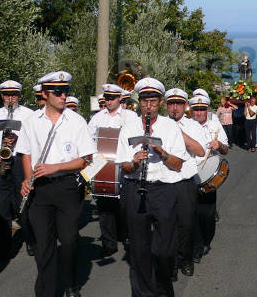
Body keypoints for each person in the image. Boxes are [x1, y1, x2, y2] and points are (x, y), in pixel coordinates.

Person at [17, 71, 97, 297]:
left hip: (67, 187)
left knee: (70, 241)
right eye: (59, 92)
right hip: (40, 189)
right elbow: (26, 153)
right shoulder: (32, 121)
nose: (64, 96)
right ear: (45, 94)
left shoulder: (76, 121)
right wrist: (26, 178)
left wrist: (56, 167)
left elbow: (86, 159)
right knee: (44, 245)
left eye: (66, 92)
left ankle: (71, 281)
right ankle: (48, 291)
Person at [116, 77, 187, 297]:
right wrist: (135, 161)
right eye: (145, 101)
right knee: (139, 248)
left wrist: (162, 152)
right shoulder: (128, 127)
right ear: (139, 102)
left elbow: (178, 165)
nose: (148, 106)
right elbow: (124, 166)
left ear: (160, 102)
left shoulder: (170, 127)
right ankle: (143, 293)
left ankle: (164, 289)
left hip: (164, 189)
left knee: (164, 250)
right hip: (135, 188)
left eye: (153, 101)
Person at [0, 80, 35, 259]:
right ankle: (4, 247)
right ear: (2, 96)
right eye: (6, 95)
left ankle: (31, 240)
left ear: (19, 95)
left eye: (14, 94)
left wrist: (19, 142)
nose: (10, 98)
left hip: (20, 160)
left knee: (24, 203)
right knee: (1, 205)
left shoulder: (30, 115)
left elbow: (36, 140)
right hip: (1, 160)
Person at [87, 83, 137, 259]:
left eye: (112, 98)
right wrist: (90, 169)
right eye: (106, 98)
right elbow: (88, 140)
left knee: (125, 205)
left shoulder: (130, 117)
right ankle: (109, 244)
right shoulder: (97, 118)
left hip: (123, 163)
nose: (108, 101)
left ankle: (127, 236)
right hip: (102, 164)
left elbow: (135, 140)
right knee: (104, 206)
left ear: (120, 99)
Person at [165, 88, 207, 278]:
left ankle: (187, 258)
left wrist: (178, 133)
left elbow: (200, 151)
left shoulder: (193, 126)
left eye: (179, 104)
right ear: (166, 106)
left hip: (185, 180)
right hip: (164, 180)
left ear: (185, 106)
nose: (175, 108)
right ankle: (171, 265)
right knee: (167, 225)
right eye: (171, 104)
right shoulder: (160, 124)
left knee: (187, 223)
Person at [190, 94, 229, 262]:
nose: (199, 112)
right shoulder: (186, 125)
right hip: (189, 174)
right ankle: (196, 246)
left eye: (202, 109)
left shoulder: (215, 125)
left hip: (208, 177)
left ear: (207, 110)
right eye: (196, 109)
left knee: (206, 214)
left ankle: (206, 240)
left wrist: (219, 145)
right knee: (190, 213)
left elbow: (226, 149)